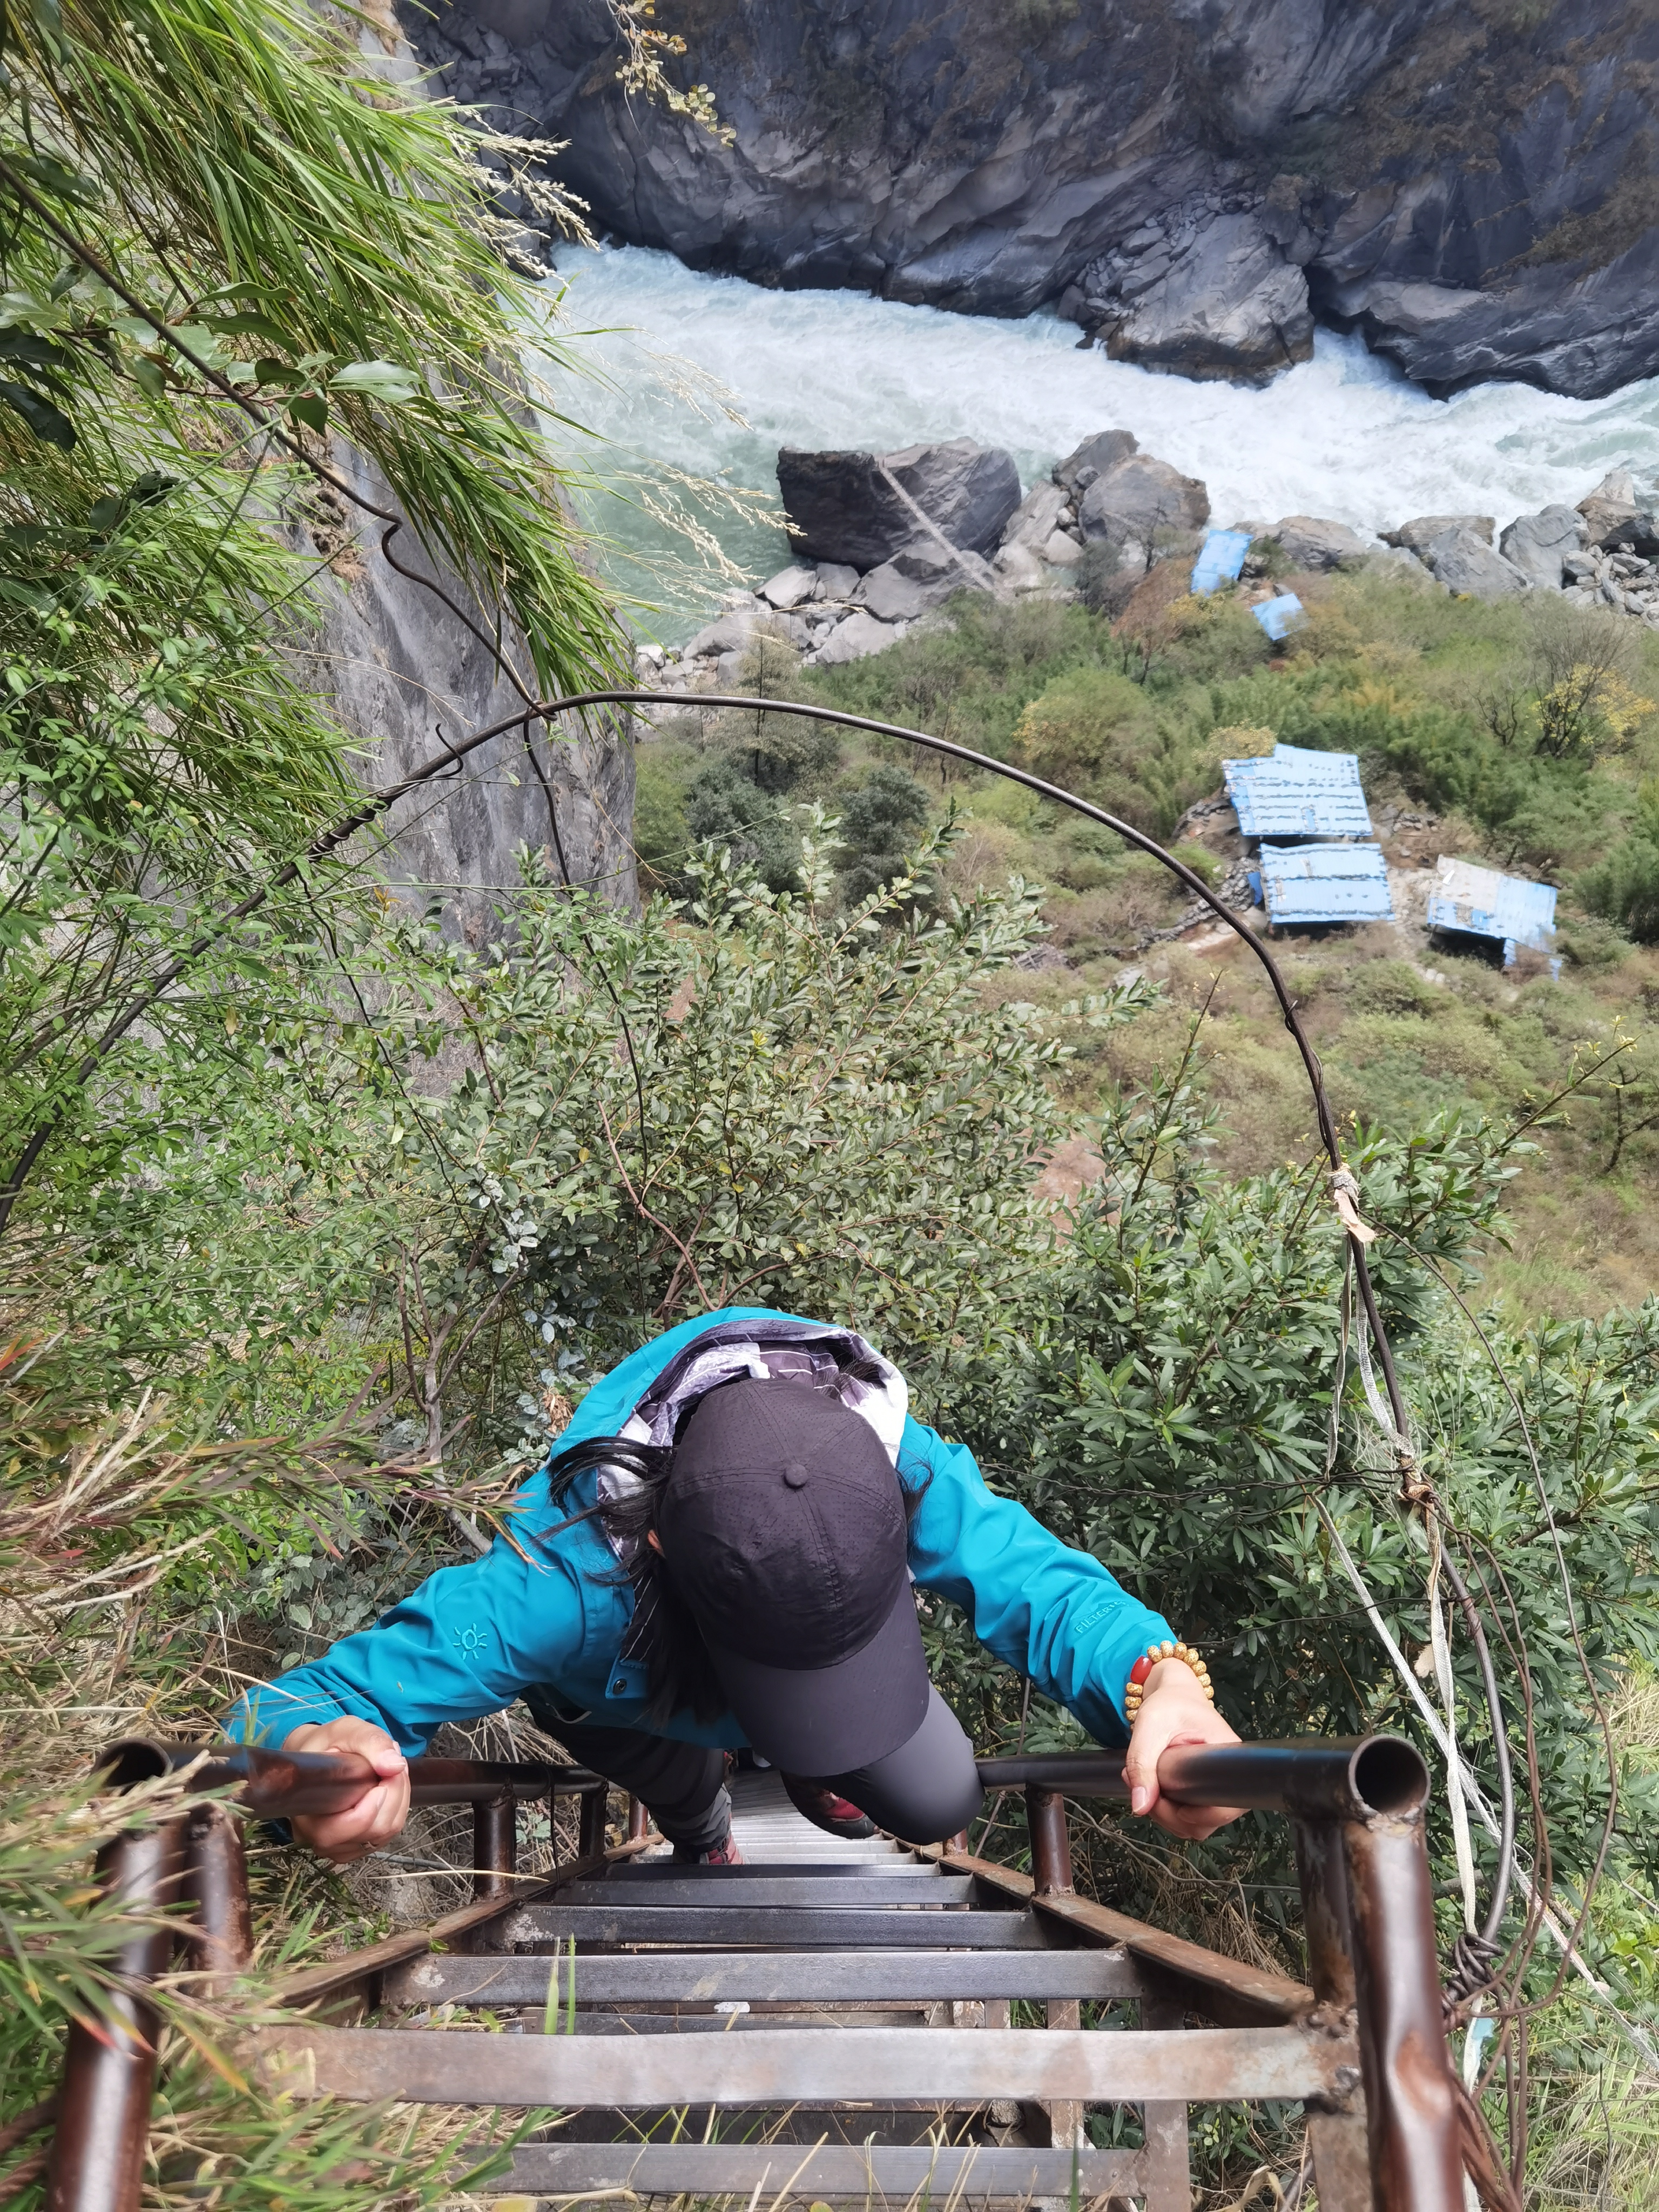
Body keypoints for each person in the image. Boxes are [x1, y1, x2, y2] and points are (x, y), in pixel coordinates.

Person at [229, 1309, 1242, 1864]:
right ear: (659, 1543)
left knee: (939, 1797)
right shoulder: (558, 1583)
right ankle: (707, 1828)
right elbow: (311, 1703)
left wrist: (1162, 1684)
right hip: (627, 1691)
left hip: (727, 1644)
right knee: (681, 1788)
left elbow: (1047, 1592)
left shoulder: (890, 1463)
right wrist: (315, 1759)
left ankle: (809, 1759)